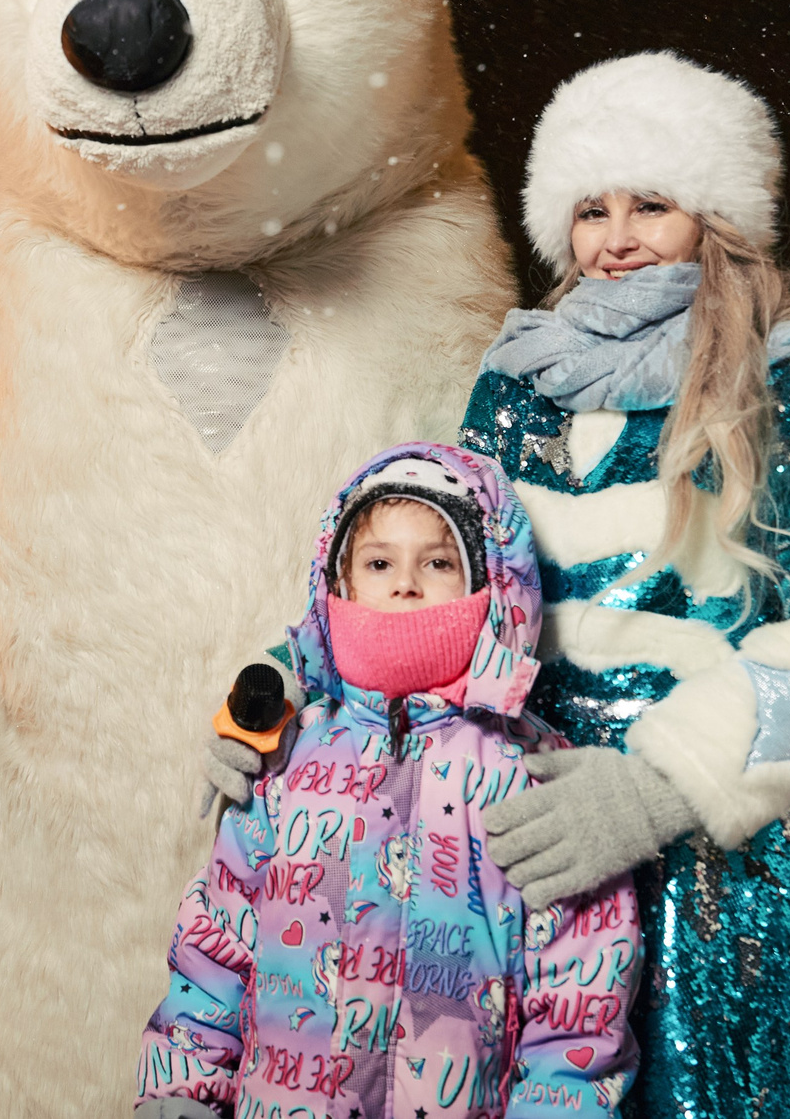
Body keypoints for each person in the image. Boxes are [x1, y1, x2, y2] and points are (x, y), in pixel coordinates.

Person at [441, 53, 790, 1119]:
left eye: (651, 203)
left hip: (712, 863)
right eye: (591, 209)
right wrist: (294, 685)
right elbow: (436, 572)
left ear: (717, 214)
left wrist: (658, 788)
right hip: (531, 838)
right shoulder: (518, 379)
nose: (617, 236)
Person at [135, 444, 641, 1117]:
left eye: (437, 562)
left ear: (493, 585)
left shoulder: (534, 773)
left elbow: (580, 997)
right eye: (378, 562)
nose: (405, 583)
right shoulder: (288, 761)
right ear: (338, 583)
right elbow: (214, 947)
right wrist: (182, 1090)